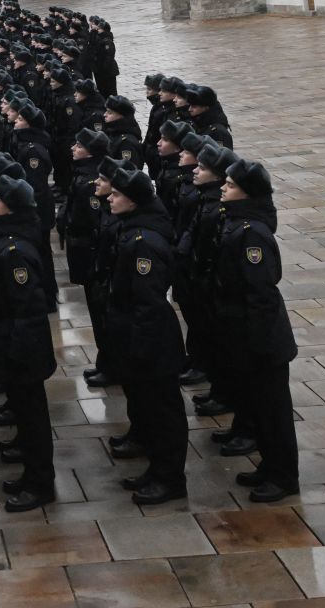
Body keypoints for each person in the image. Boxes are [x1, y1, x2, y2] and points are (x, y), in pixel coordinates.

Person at [216, 159, 299, 502]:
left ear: (247, 193)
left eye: (231, 185)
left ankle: (284, 476)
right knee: (260, 408)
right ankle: (270, 465)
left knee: (274, 410)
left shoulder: (252, 234)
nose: (223, 188)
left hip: (263, 339)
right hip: (246, 334)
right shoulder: (239, 223)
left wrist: (258, 344)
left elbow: (261, 293)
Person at [105, 169, 187, 504]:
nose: (109, 197)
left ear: (133, 200)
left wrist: (140, 347)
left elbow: (149, 302)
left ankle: (170, 479)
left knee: (164, 413)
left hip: (153, 341)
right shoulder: (134, 231)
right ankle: (157, 471)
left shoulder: (144, 245)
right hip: (140, 336)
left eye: (116, 193)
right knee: (151, 411)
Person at [0, 178, 58, 512]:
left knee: (33, 418)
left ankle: (41, 483)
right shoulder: (6, 239)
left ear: (10, 207)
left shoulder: (14, 252)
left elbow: (26, 309)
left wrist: (17, 353)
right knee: (26, 417)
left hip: (22, 348)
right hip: (12, 342)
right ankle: (31, 475)